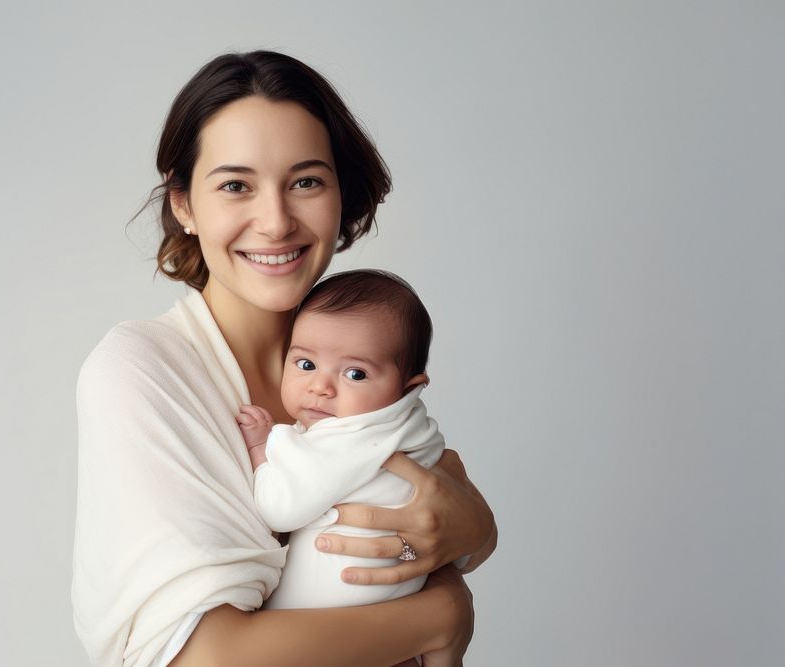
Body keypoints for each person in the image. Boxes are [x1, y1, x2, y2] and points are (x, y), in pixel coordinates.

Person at [72, 51, 497, 667]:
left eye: (306, 181)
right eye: (235, 185)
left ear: (340, 193)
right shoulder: (141, 371)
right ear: (185, 204)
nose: (274, 222)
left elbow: (445, 506)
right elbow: (207, 660)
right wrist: (440, 616)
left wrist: (478, 530)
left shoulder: (363, 360)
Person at [238, 270, 466, 612]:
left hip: (330, 620)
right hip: (384, 616)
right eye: (306, 363)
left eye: (355, 374)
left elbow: (279, 510)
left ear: (408, 388)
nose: (321, 387)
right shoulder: (413, 430)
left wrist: (261, 449)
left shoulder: (353, 440)